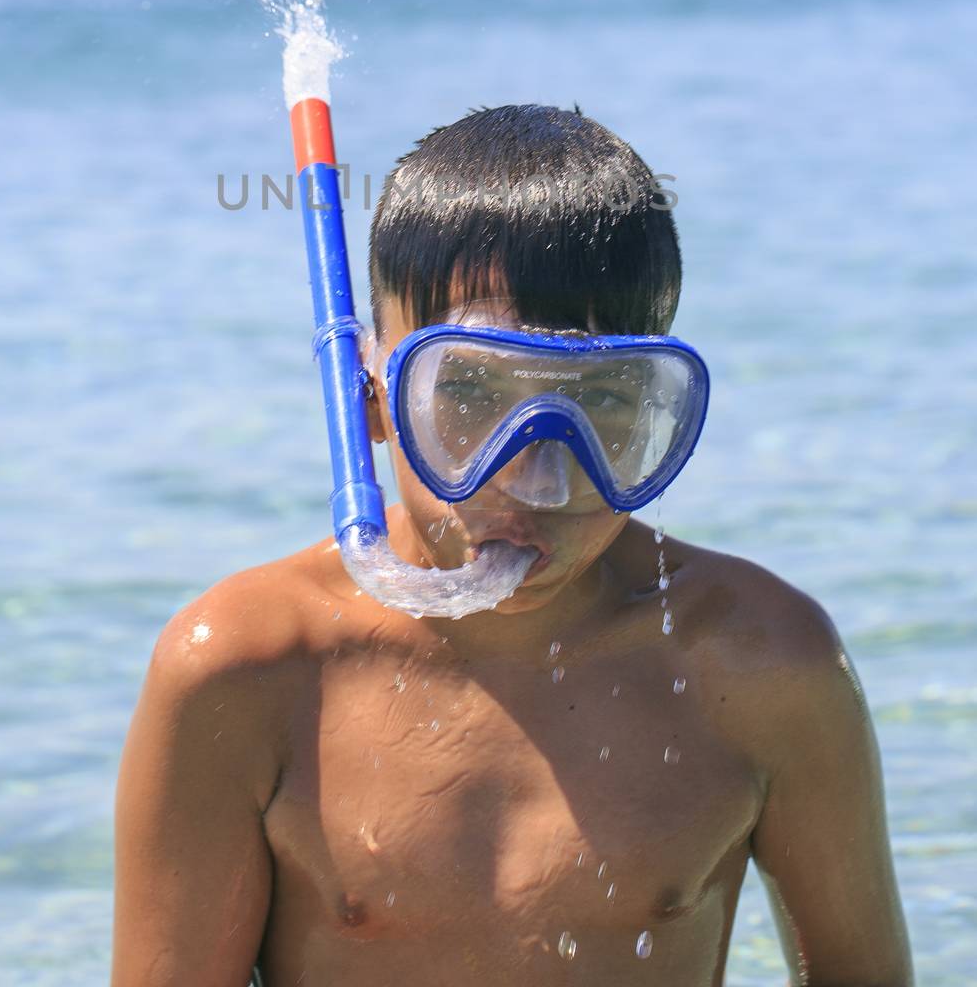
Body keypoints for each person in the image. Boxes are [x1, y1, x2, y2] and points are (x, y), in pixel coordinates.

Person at [110, 104, 913, 987]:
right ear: (371, 399)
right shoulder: (243, 670)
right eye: (471, 391)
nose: (537, 477)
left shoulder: (760, 662)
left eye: (602, 400)